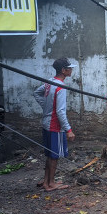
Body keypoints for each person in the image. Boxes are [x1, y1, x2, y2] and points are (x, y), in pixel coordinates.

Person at [34, 58, 76, 191]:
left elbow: (36, 93)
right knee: (54, 156)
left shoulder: (49, 82)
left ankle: (47, 182)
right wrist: (68, 129)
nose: (71, 70)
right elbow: (60, 111)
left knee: (50, 154)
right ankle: (51, 183)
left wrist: (46, 106)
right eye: (69, 68)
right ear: (63, 71)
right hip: (55, 125)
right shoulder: (60, 87)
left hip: (46, 123)